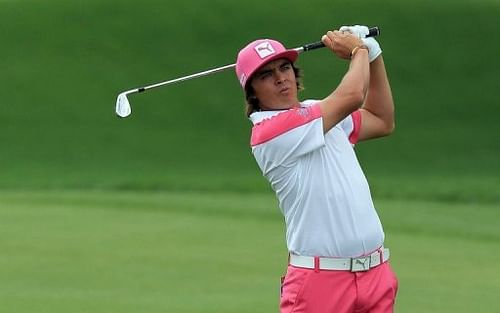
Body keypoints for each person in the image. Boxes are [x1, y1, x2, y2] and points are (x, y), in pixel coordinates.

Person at [235, 25, 397, 313]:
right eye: (265, 75)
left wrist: (373, 54)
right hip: (320, 283)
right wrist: (358, 50)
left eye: (284, 67)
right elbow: (352, 96)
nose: (280, 78)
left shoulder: (320, 114)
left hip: (376, 275)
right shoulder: (269, 132)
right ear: (253, 92)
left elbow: (381, 119)